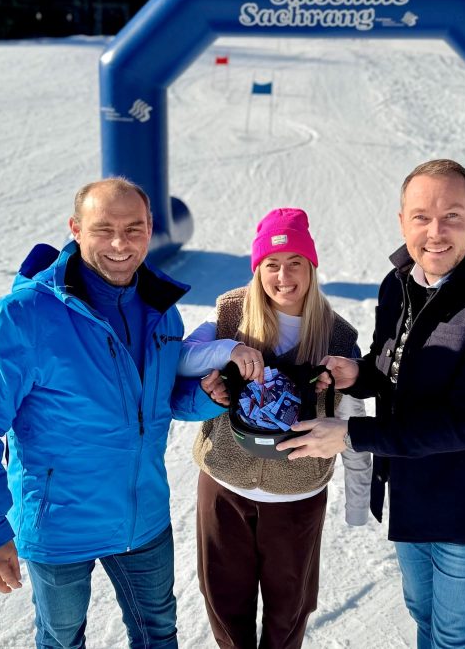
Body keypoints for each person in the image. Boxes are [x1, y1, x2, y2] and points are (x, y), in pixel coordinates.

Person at [278, 160, 465, 649]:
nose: (435, 232)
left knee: (453, 637)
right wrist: (357, 374)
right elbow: (391, 370)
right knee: (423, 615)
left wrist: (351, 436)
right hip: (410, 491)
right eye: (421, 216)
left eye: (452, 216)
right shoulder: (397, 284)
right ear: (403, 220)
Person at [0, 178, 225, 649]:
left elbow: (154, 404)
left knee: (159, 633)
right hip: (60, 525)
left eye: (133, 229)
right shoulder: (22, 318)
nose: (120, 243)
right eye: (104, 229)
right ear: (76, 229)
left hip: (143, 518)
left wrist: (206, 397)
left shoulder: (161, 310)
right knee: (61, 639)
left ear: (151, 228)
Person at [176, 207, 372, 649]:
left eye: (295, 263)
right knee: (223, 602)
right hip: (225, 486)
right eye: (272, 264)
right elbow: (182, 356)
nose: (284, 276)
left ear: (311, 267)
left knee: (289, 612)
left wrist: (358, 502)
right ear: (258, 269)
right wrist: (225, 351)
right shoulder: (231, 313)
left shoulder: (338, 336)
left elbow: (355, 418)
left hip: (297, 496)